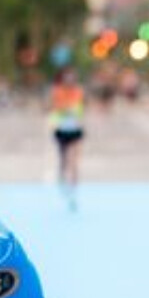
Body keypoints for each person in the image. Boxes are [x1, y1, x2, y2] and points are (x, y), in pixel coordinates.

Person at [48, 68, 86, 209]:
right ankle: (62, 181)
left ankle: (74, 192)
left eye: (72, 77)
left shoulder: (78, 91)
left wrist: (76, 112)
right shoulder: (57, 91)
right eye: (67, 77)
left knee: (74, 162)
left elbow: (80, 108)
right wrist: (65, 109)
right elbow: (56, 108)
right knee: (63, 161)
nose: (69, 80)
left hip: (75, 130)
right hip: (62, 130)